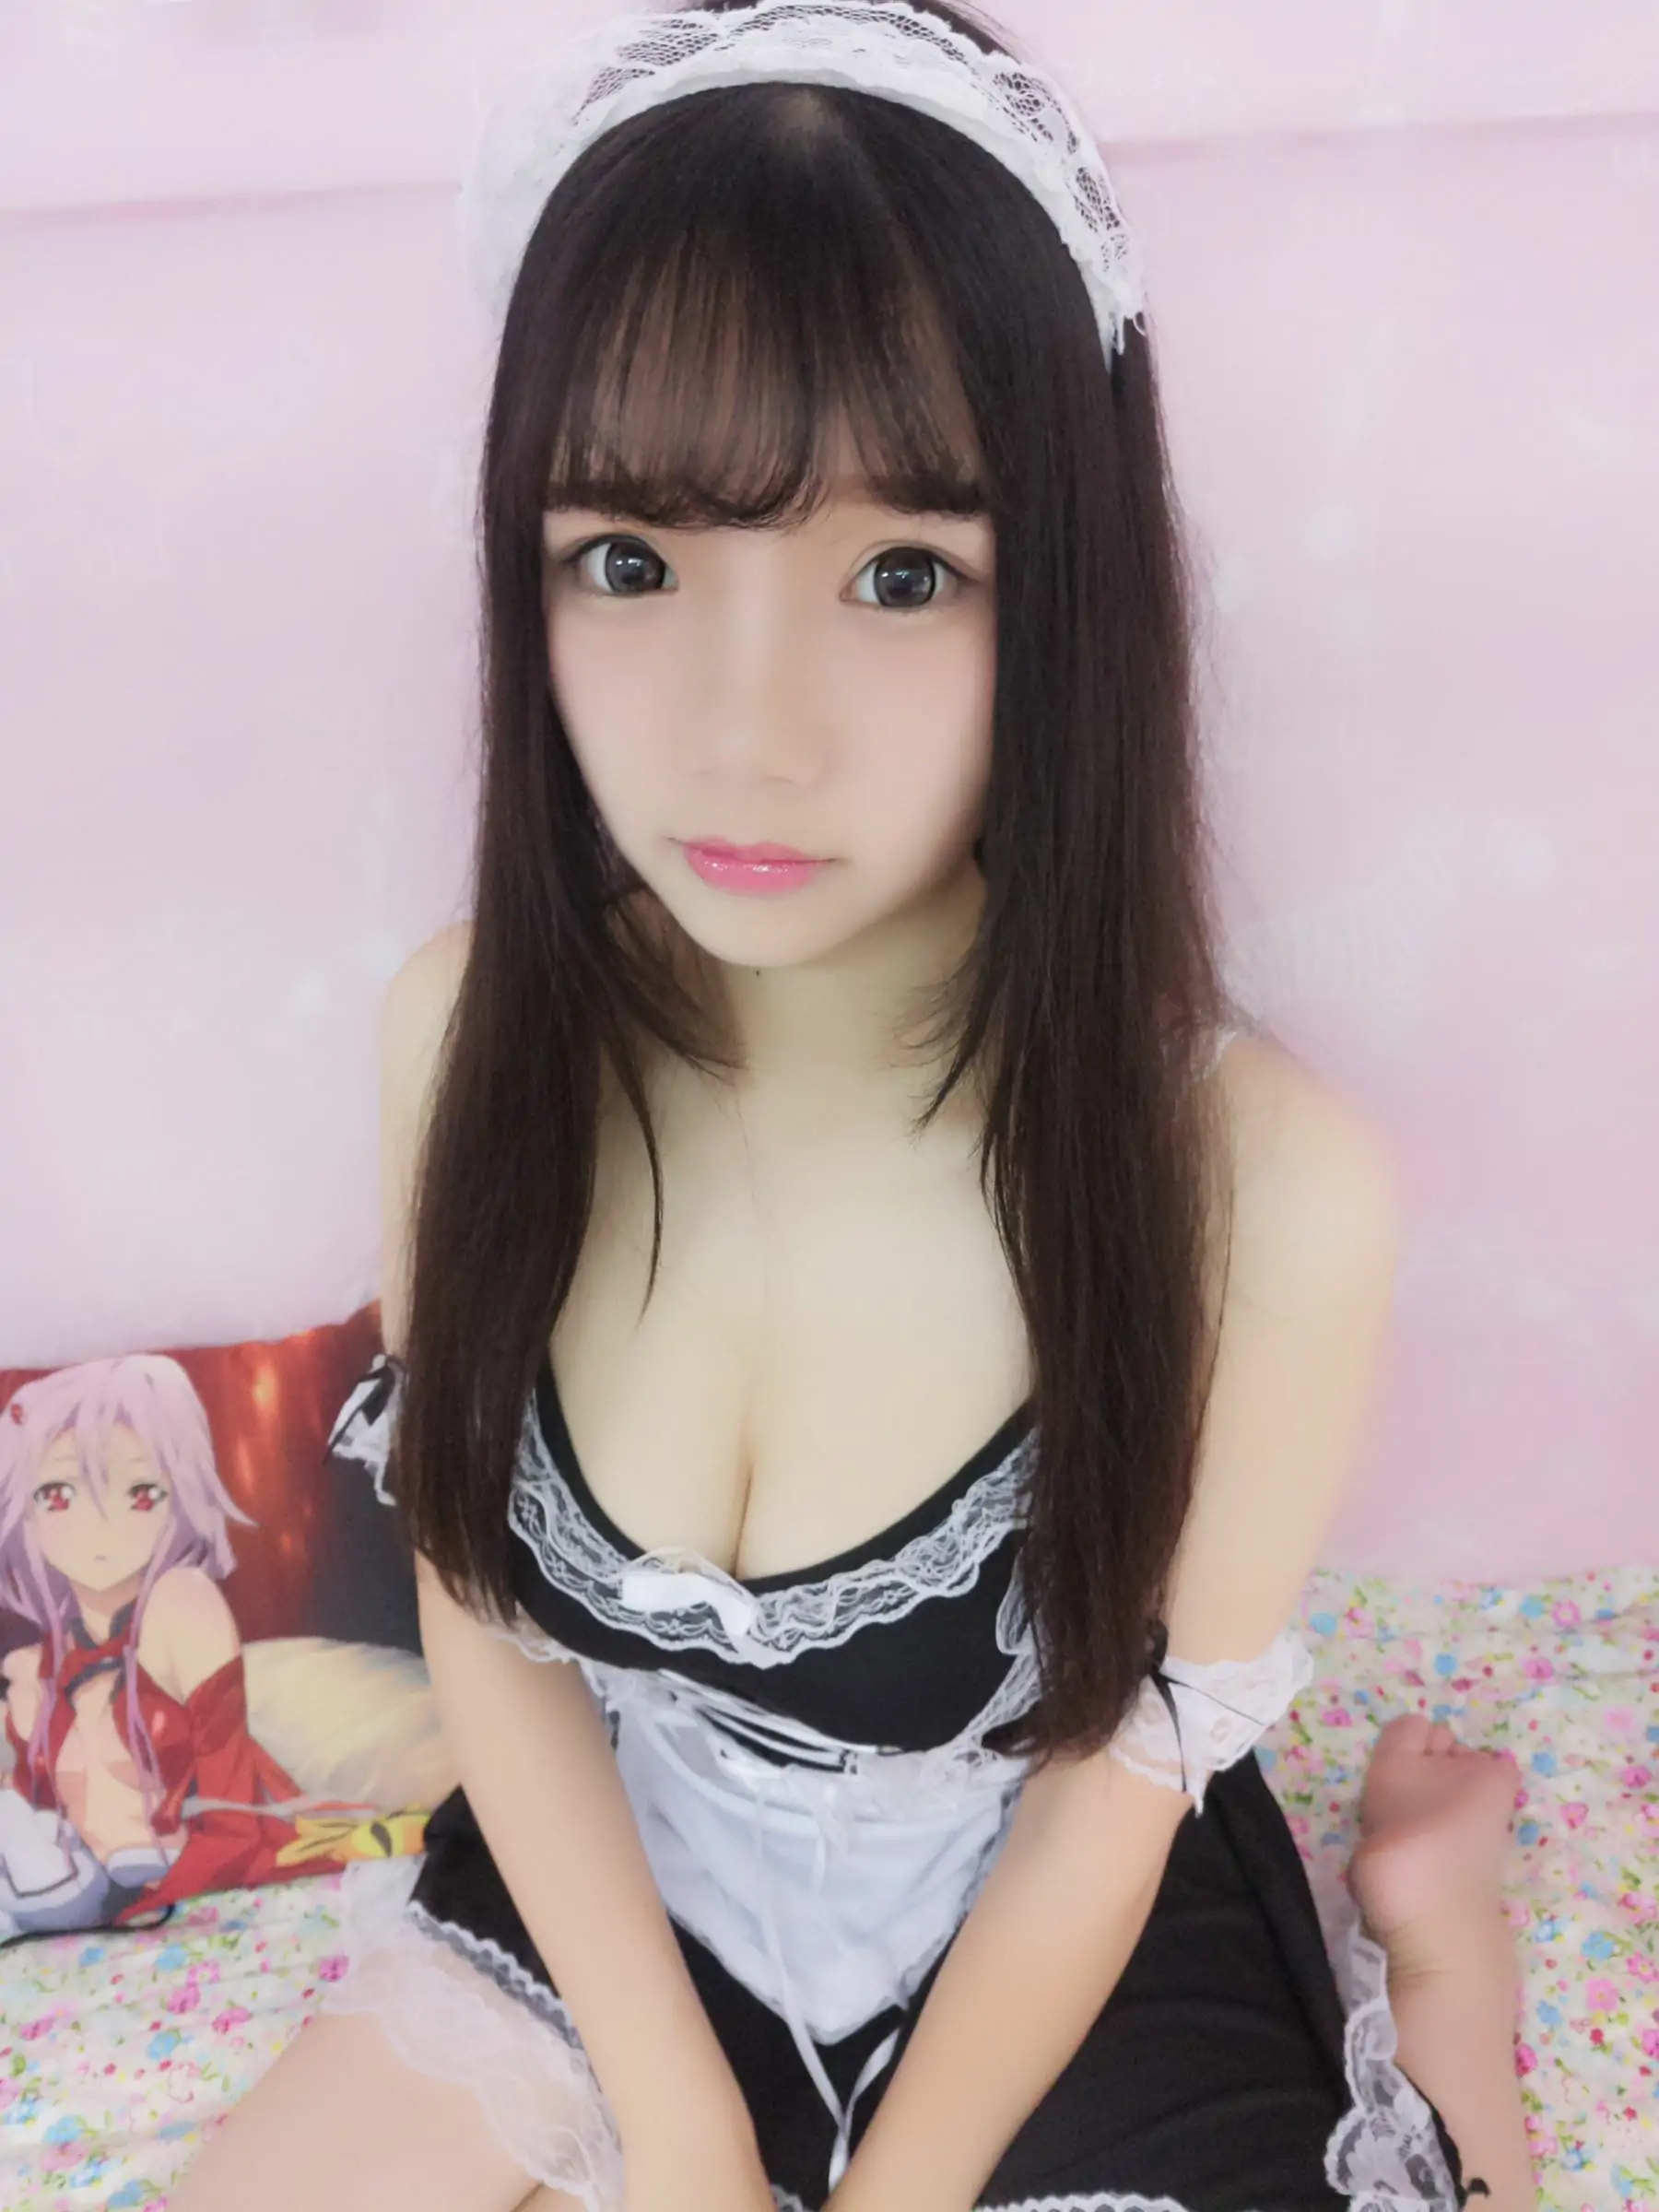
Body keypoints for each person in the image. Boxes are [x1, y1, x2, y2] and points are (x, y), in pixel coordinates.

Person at [173, 4, 1538, 2206]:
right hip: (628, 1880)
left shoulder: (1255, 1186)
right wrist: (687, 2131)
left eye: (901, 573)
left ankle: (1438, 1933)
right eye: (630, 558)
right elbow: (487, 1625)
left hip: (1048, 1918)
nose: (746, 732)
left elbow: (1109, 1782)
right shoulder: (473, 1037)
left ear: (1063, 584)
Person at [0, 1355, 308, 1935]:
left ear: (178, 1495)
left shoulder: (180, 1604)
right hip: (80, 1891)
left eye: (140, 1492)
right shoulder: (36, 1667)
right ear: (24, 1511)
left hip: (191, 1881)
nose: (100, 1525)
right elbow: (32, 1822)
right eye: (59, 1495)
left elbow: (233, 1813)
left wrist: (145, 1906)